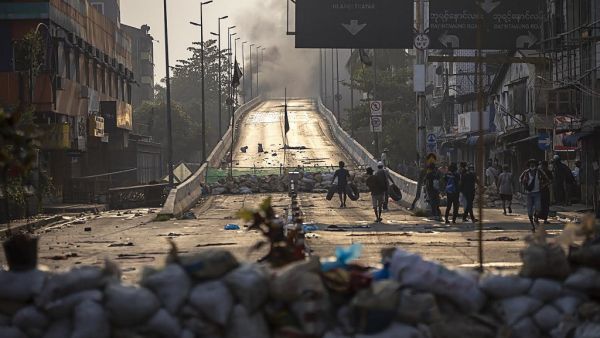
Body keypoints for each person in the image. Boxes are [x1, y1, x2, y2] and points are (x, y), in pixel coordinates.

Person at [520, 159, 550, 231]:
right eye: (531, 164)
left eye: (533, 164)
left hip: (537, 193)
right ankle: (532, 226)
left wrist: (542, 186)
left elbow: (547, 180)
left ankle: (535, 217)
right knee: (529, 211)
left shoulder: (540, 172)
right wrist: (524, 187)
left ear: (536, 165)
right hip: (529, 194)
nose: (532, 165)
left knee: (538, 209)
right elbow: (520, 180)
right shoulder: (526, 172)